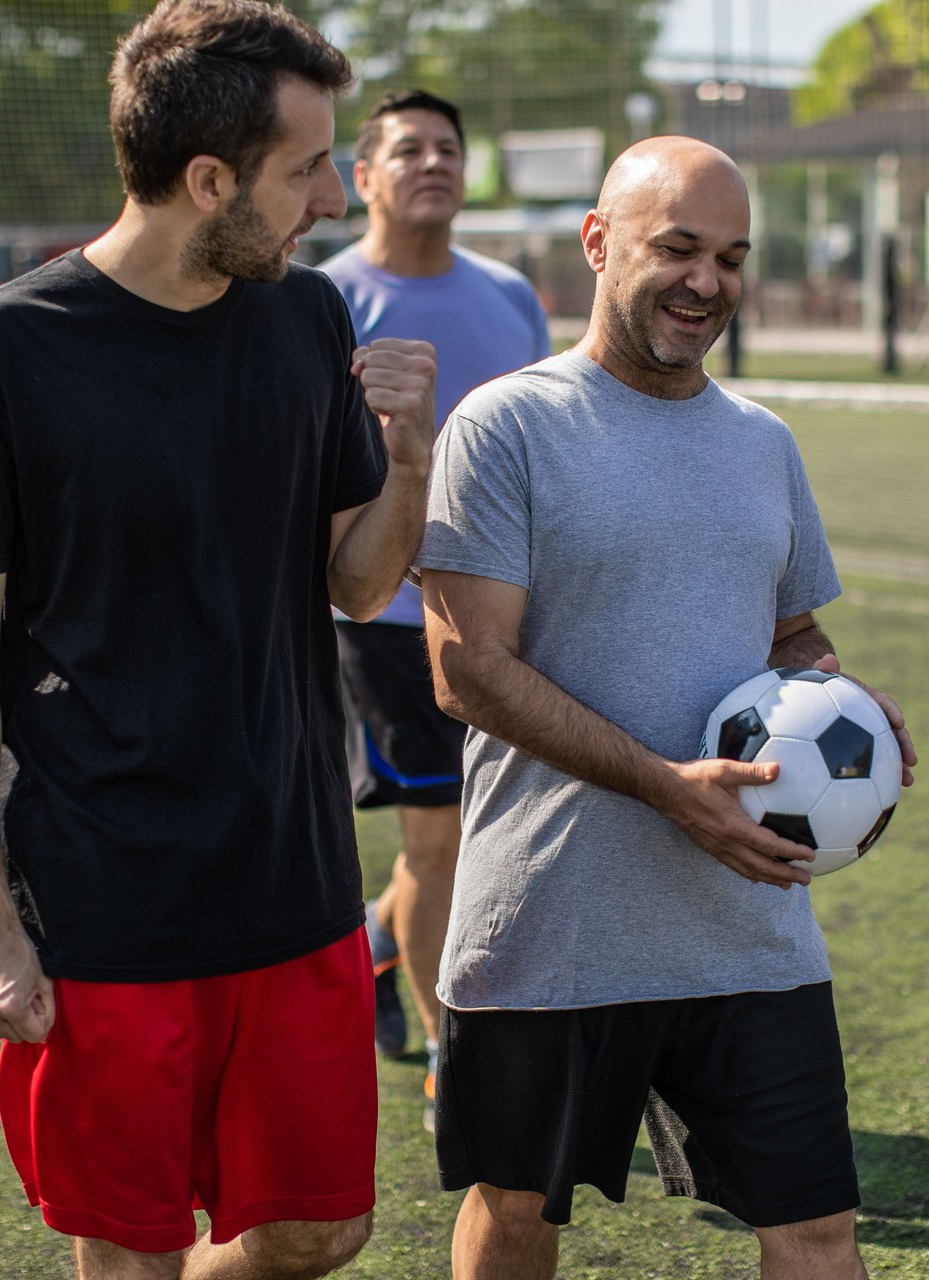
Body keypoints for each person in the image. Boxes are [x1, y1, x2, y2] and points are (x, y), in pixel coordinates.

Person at [0, 3, 437, 1277]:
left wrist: (410, 463)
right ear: (208, 178)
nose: (336, 197)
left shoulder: (304, 321)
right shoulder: (5, 349)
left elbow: (358, 584)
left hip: (293, 875)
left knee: (318, 1230)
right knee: (127, 1251)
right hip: (101, 893)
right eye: (309, 168)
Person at [416, 136, 917, 1280]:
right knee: (517, 1210)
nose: (708, 281)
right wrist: (664, 788)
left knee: (820, 1226)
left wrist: (842, 703)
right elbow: (467, 668)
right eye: (679, 248)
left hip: (748, 921)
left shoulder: (762, 442)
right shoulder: (505, 426)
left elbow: (793, 637)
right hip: (552, 922)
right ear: (599, 243)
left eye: (732, 257)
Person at [316, 91, 552, 1108]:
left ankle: (376, 936)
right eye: (407, 149)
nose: (432, 162)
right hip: (389, 625)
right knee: (437, 835)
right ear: (362, 177)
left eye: (449, 147)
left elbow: (544, 445)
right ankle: (455, 1053)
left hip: (511, 618)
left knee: (512, 830)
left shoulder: (510, 294)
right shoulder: (324, 302)